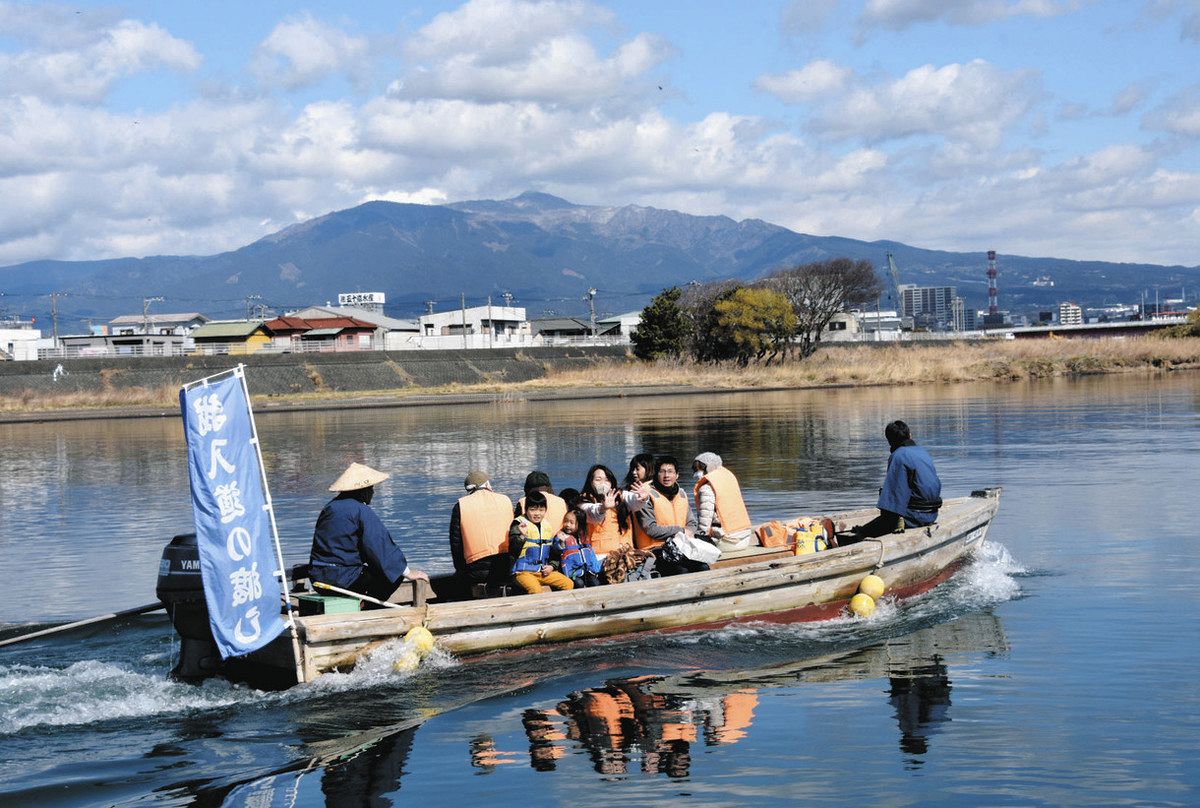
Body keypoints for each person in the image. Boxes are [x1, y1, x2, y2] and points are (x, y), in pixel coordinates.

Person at [309, 462, 428, 601]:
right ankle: (369, 607)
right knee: (393, 575)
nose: (373, 492)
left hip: (318, 577)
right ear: (363, 490)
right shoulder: (361, 511)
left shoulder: (329, 508)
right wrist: (407, 572)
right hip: (343, 579)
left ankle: (362, 603)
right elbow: (379, 545)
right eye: (371, 488)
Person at [847, 421, 942, 540]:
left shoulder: (898, 456)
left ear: (889, 441)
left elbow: (894, 501)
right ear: (910, 435)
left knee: (861, 533)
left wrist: (865, 530)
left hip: (914, 517)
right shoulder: (922, 452)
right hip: (932, 514)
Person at [449, 470, 515, 595]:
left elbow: (456, 544)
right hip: (506, 567)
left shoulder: (461, 506)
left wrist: (460, 571)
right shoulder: (505, 500)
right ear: (488, 484)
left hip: (475, 572)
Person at [509, 491, 575, 594]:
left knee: (568, 584)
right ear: (526, 510)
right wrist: (522, 536)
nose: (537, 513)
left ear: (545, 510)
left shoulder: (547, 526)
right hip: (523, 572)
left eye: (541, 510)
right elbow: (513, 550)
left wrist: (552, 566)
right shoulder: (518, 523)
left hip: (542, 571)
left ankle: (557, 608)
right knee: (536, 590)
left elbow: (552, 552)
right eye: (532, 509)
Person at [633, 455, 698, 551]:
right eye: (662, 471)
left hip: (681, 544)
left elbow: (692, 523)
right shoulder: (646, 495)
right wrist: (681, 531)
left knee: (703, 564)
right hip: (654, 549)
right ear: (656, 474)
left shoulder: (682, 494)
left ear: (677, 475)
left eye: (670, 471)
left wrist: (689, 533)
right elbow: (651, 529)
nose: (666, 475)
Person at [692, 452, 754, 552]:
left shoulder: (706, 488)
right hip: (745, 538)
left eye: (698, 469)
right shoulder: (729, 479)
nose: (696, 473)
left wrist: (700, 536)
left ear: (707, 467)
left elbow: (705, 518)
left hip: (727, 542)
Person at [578, 464, 635, 555]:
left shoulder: (620, 497)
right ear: (591, 482)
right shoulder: (583, 502)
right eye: (598, 480)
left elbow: (634, 501)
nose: (603, 484)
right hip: (599, 556)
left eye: (607, 480)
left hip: (625, 553)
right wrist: (603, 508)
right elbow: (592, 512)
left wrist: (642, 498)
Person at [556, 507, 603, 587]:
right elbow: (557, 549)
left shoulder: (584, 537)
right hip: (572, 572)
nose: (567, 525)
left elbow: (590, 553)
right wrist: (562, 542)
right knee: (579, 583)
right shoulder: (561, 536)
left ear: (579, 524)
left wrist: (595, 568)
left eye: (571, 522)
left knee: (595, 583)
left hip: (587, 571)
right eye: (566, 521)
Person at [515, 471, 568, 536]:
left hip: (533, 544)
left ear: (526, 489)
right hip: (559, 541)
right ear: (549, 487)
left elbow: (515, 528)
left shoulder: (523, 501)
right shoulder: (561, 501)